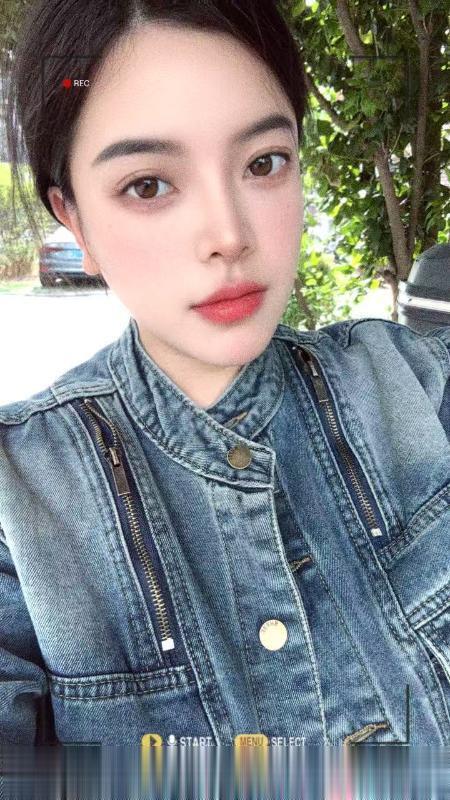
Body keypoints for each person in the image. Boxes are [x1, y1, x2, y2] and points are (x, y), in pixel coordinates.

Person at [0, 0, 449, 746]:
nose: (229, 235)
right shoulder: (16, 505)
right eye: (149, 185)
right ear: (74, 219)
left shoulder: (419, 390)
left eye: (263, 163)